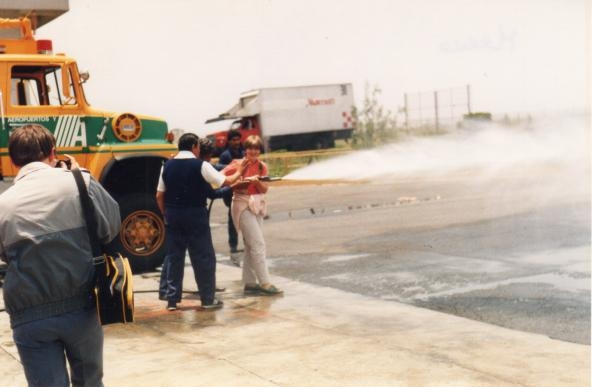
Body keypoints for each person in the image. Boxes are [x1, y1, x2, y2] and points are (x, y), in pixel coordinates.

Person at [0, 124, 121, 386]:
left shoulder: (4, 203)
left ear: (12, 160)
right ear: (53, 153)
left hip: (29, 315)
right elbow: (111, 226)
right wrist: (80, 176)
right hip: (82, 305)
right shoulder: (81, 183)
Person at [156, 133, 247, 311]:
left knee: (175, 257)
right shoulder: (201, 165)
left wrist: (166, 214)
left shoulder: (166, 166)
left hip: (173, 215)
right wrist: (240, 170)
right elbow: (225, 181)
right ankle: (207, 299)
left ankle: (172, 301)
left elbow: (159, 195)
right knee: (203, 257)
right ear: (195, 146)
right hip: (196, 214)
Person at [223, 135, 283, 296]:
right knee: (258, 244)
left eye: (256, 148)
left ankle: (250, 283)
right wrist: (240, 182)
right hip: (242, 204)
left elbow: (264, 189)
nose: (253, 151)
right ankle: (265, 282)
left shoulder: (262, 166)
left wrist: (256, 182)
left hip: (257, 205)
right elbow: (222, 179)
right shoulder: (237, 163)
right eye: (250, 148)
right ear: (245, 149)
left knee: (251, 245)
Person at [216, 129, 244, 266]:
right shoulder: (225, 156)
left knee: (244, 219)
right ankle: (233, 246)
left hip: (243, 192)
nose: (236, 142)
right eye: (233, 140)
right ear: (229, 141)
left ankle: (245, 243)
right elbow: (222, 174)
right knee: (232, 220)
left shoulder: (243, 153)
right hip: (230, 193)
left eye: (238, 139)